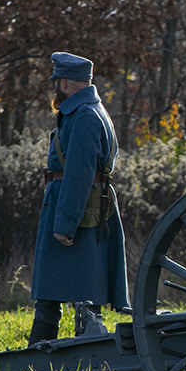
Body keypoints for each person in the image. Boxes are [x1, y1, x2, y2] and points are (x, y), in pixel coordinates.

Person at [27, 52, 130, 347]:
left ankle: (77, 358)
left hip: (79, 211)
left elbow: (79, 173)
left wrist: (65, 223)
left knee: (84, 294)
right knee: (59, 291)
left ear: (63, 82)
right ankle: (39, 355)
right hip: (83, 207)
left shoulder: (84, 115)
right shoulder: (90, 110)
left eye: (56, 82)